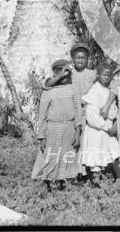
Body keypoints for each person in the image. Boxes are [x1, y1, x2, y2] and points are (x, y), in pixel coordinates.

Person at [31, 59, 84, 191]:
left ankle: (67, 183)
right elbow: (42, 116)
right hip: (53, 129)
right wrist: (41, 136)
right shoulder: (48, 91)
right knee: (51, 156)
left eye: (67, 74)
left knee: (69, 155)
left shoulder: (73, 89)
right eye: (61, 73)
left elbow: (78, 111)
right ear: (55, 74)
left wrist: (77, 132)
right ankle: (49, 184)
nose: (65, 77)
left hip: (69, 128)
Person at [80, 66, 120, 186]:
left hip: (108, 128)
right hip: (97, 130)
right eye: (104, 75)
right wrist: (106, 127)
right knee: (95, 157)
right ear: (98, 75)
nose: (106, 77)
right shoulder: (94, 90)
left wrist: (113, 124)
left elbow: (114, 110)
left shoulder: (109, 91)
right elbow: (92, 117)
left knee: (115, 151)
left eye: (109, 75)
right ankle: (96, 184)